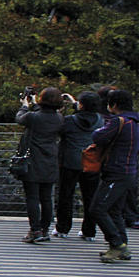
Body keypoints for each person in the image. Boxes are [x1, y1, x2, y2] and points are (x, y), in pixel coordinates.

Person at [89, 88, 139, 264]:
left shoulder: (118, 121)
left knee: (97, 209)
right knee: (114, 211)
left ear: (114, 105)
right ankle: (121, 246)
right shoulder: (133, 121)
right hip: (128, 172)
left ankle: (117, 244)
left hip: (116, 172)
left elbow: (98, 136)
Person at [15, 86, 65, 244]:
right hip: (50, 160)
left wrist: (24, 104)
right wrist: (35, 103)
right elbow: (43, 114)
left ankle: (34, 229)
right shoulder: (59, 118)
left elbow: (20, 118)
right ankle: (44, 230)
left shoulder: (33, 117)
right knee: (46, 197)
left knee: (32, 197)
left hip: (32, 160)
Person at [57, 91, 104, 239]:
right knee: (90, 197)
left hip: (70, 161)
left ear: (81, 105)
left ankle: (62, 228)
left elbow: (61, 131)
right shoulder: (100, 120)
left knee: (65, 195)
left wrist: (63, 110)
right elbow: (85, 117)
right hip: (91, 162)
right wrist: (75, 104)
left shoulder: (69, 120)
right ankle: (89, 231)